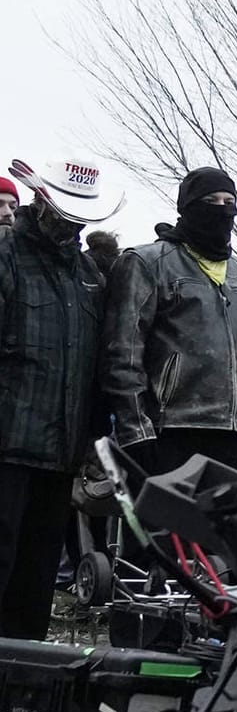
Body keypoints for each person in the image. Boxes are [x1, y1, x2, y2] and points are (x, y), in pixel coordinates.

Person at [101, 167, 237, 476]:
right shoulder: (147, 263)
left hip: (236, 435)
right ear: (188, 206)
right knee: (167, 525)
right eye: (211, 200)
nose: (221, 209)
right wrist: (136, 431)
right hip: (170, 430)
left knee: (229, 526)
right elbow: (123, 355)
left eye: (229, 201)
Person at [0, 156, 115, 637]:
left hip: (60, 458)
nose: (71, 222)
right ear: (40, 199)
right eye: (64, 210)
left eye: (80, 214)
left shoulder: (90, 276)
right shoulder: (6, 256)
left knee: (34, 586)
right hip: (6, 449)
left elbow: (96, 368)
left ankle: (22, 687)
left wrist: (94, 438)